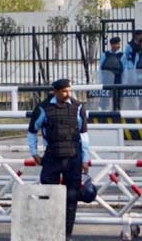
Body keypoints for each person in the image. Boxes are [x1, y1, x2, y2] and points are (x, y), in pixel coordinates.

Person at [28, 78, 90, 241]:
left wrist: (85, 159)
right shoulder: (43, 108)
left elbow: (83, 134)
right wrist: (34, 152)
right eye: (64, 91)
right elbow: (32, 130)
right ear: (55, 92)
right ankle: (49, 232)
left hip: (74, 157)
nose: (68, 94)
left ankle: (67, 234)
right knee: (48, 195)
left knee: (72, 196)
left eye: (70, 90)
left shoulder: (78, 107)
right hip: (52, 157)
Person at [99, 37, 125, 110]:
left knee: (117, 96)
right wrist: (100, 80)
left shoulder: (122, 55)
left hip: (117, 78)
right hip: (107, 78)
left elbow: (124, 69)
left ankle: (117, 109)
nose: (118, 45)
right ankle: (104, 110)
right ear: (112, 45)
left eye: (118, 43)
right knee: (105, 96)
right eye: (116, 44)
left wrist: (124, 81)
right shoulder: (105, 54)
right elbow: (101, 68)